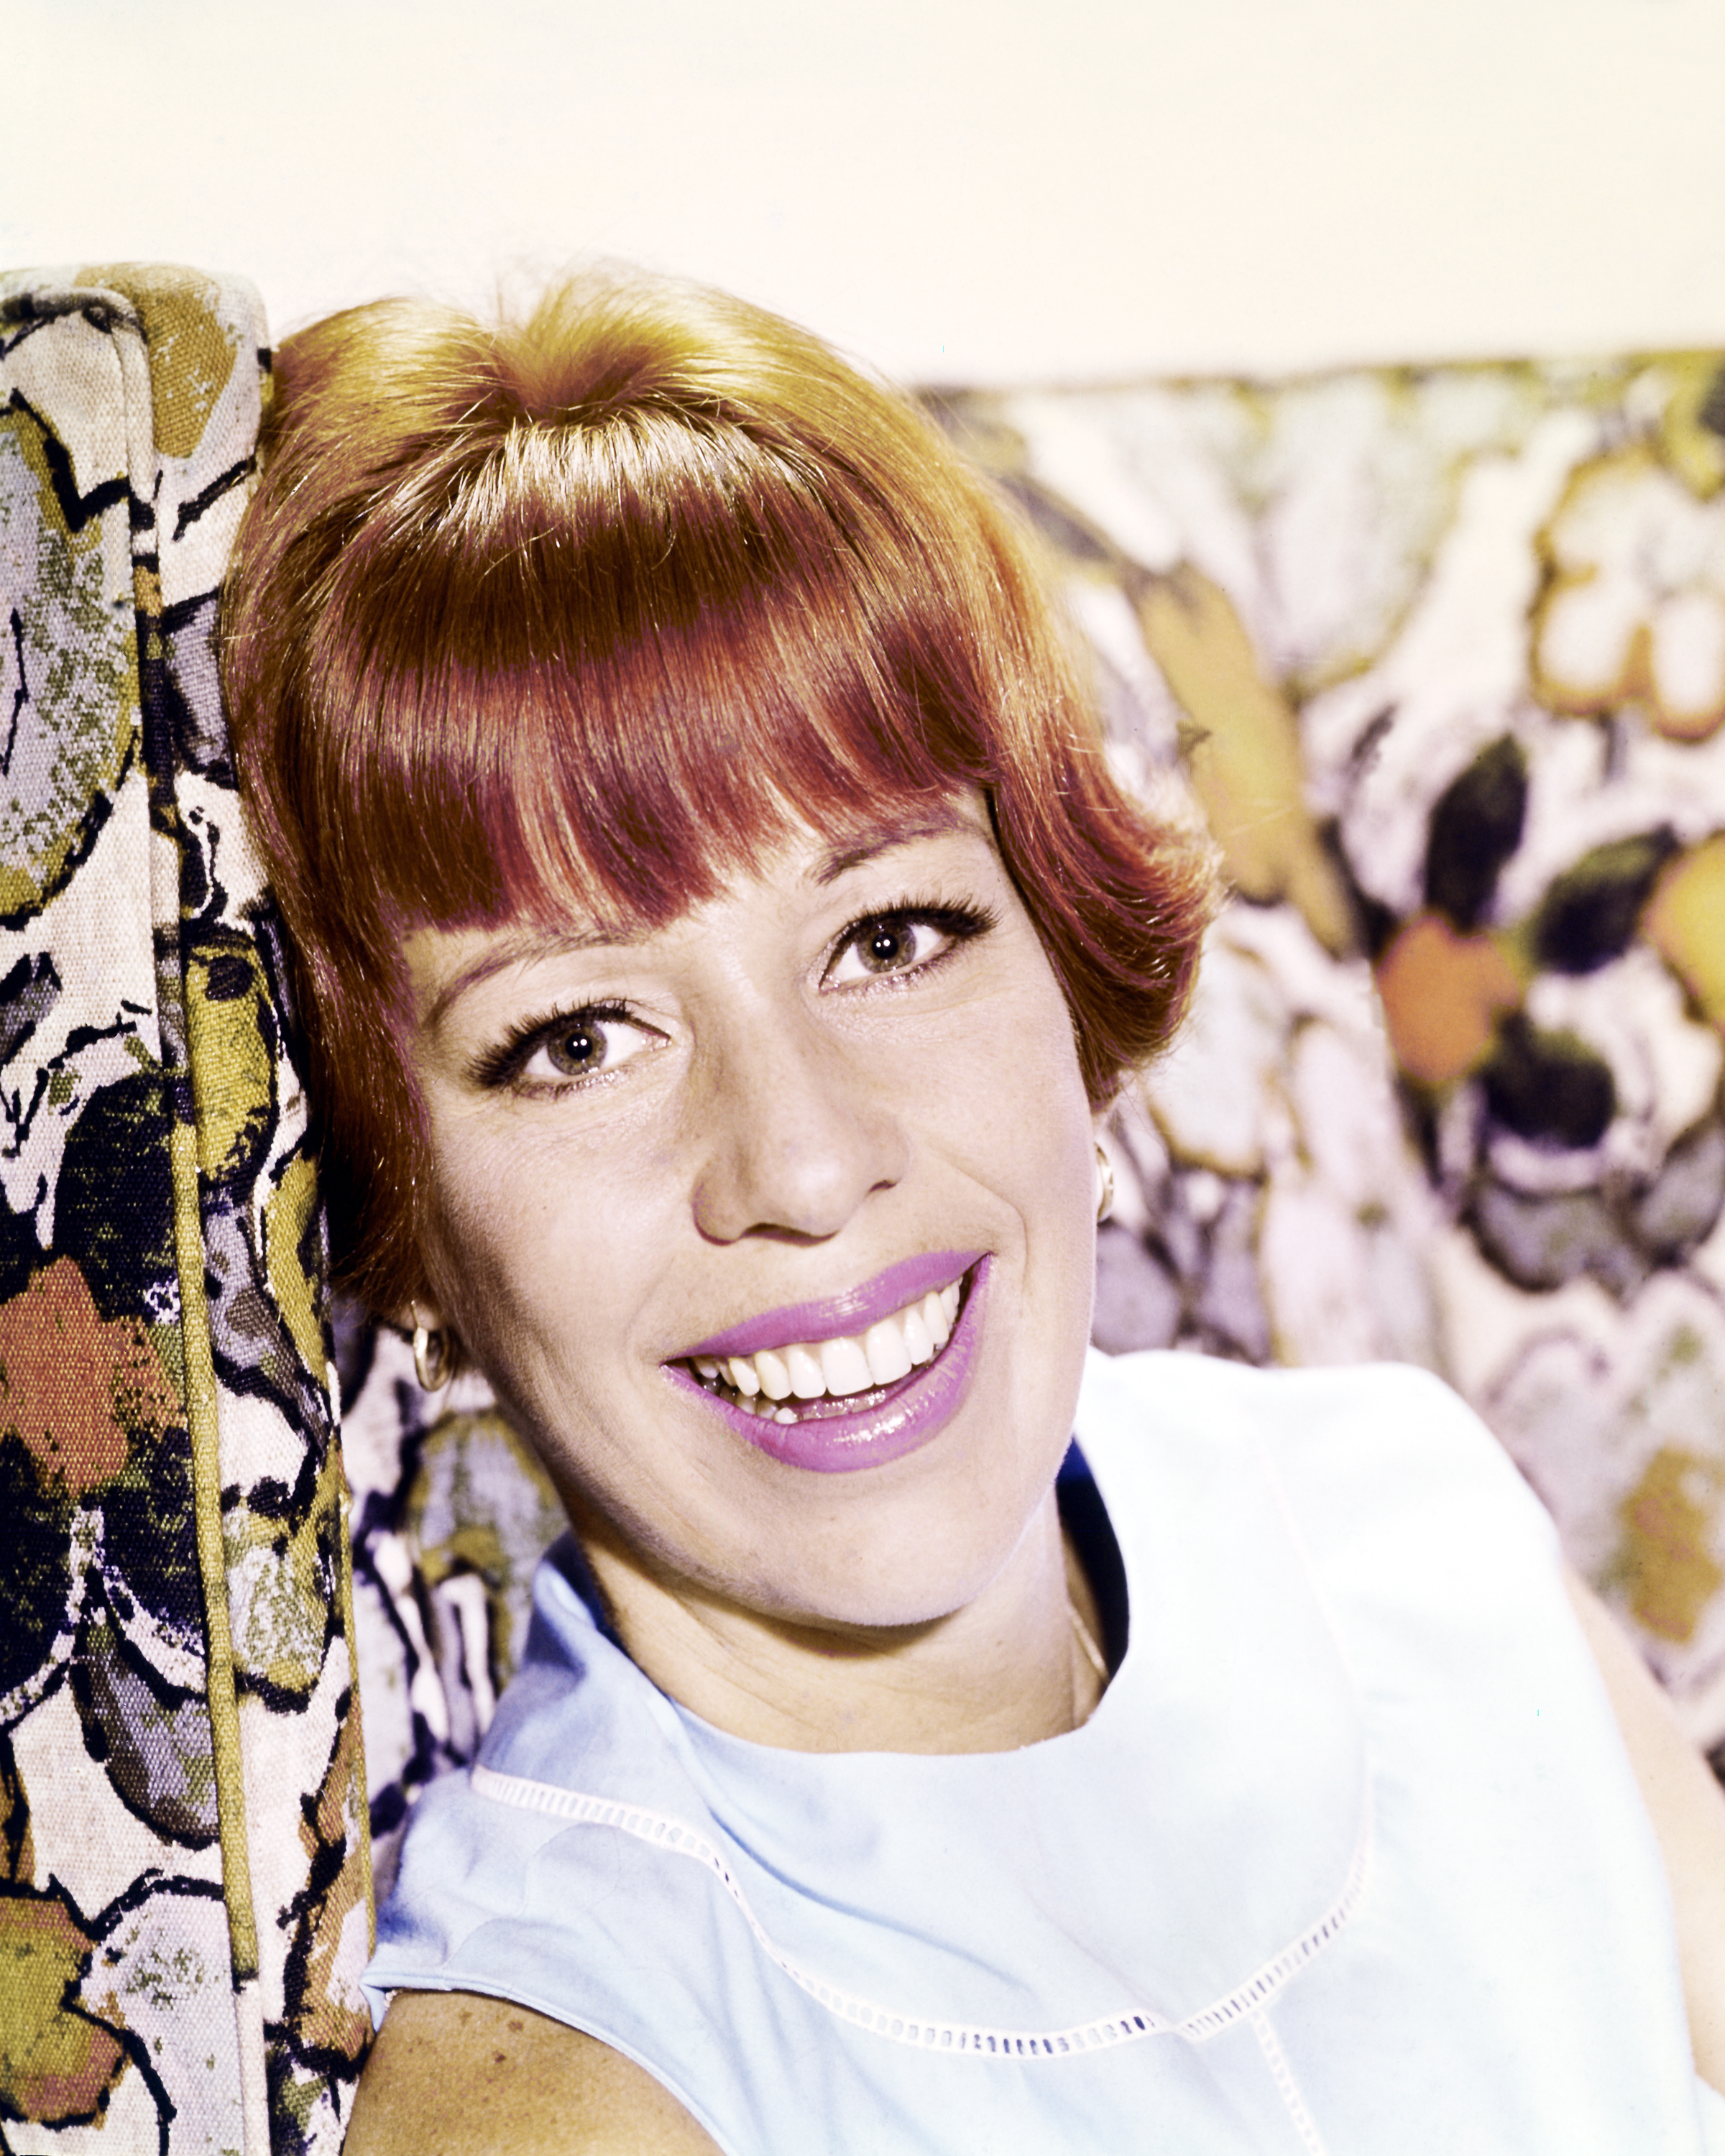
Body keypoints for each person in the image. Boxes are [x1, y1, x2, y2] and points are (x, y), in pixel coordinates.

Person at [221, 266, 1725, 2155]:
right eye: (574, 1037)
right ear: (407, 1224)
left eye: (893, 932)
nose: (802, 1162)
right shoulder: (567, 2092)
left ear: (1064, 974)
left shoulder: (1406, 1515)